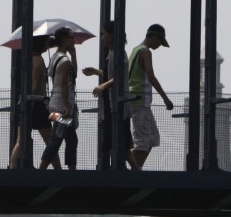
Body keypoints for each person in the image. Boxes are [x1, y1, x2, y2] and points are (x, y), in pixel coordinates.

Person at [83, 20, 131, 169]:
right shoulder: (111, 53)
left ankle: (116, 167)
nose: (102, 37)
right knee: (118, 140)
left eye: (104, 34)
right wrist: (97, 72)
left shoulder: (119, 54)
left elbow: (119, 77)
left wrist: (102, 85)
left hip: (118, 105)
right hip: (111, 104)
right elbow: (112, 74)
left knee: (116, 139)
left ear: (112, 35)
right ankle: (131, 168)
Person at [125, 23, 174, 170]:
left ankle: (136, 166)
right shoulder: (146, 52)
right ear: (153, 37)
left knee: (153, 137)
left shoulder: (135, 50)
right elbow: (150, 75)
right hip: (139, 100)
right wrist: (165, 98)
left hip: (137, 100)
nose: (159, 45)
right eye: (159, 41)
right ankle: (135, 169)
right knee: (142, 139)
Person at [9, 35, 57, 169]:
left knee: (20, 141)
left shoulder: (28, 59)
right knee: (51, 141)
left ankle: (12, 169)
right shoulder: (38, 60)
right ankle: (58, 170)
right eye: (46, 42)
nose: (48, 44)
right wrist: (32, 103)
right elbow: (35, 85)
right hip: (36, 104)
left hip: (25, 102)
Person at [40, 26, 78, 170]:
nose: (73, 40)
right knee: (57, 138)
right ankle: (42, 168)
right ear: (64, 40)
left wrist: (74, 54)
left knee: (71, 139)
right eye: (71, 37)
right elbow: (64, 84)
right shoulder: (65, 61)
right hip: (62, 109)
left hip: (54, 106)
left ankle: (71, 170)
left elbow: (72, 75)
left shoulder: (55, 57)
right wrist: (66, 106)